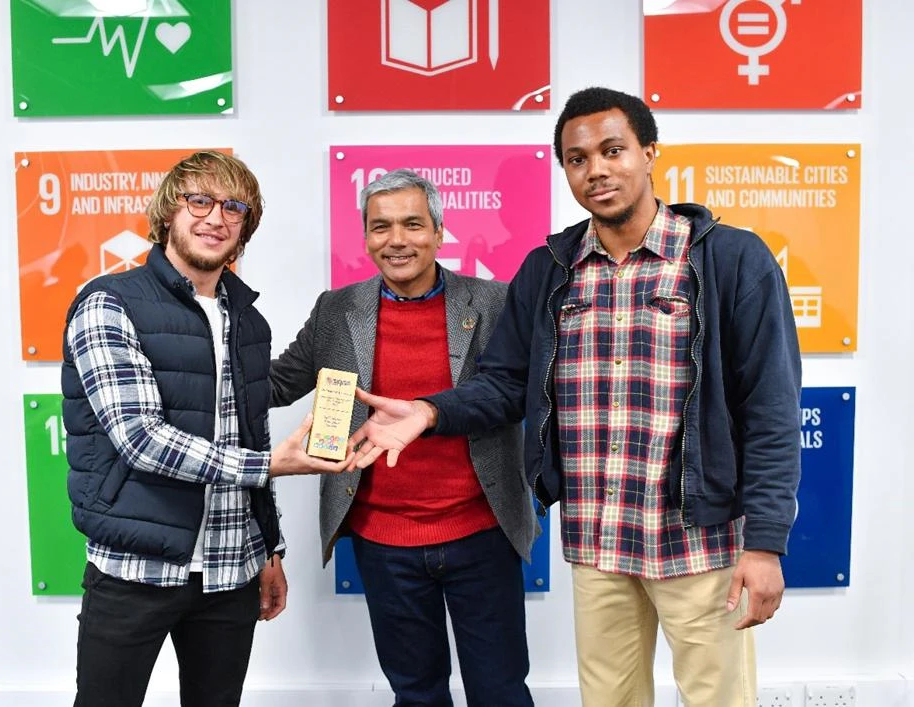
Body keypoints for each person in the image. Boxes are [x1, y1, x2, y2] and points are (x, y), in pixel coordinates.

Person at [348, 89, 802, 707]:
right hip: (598, 542)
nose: (597, 170)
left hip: (702, 544)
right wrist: (430, 411)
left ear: (649, 153)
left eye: (613, 151)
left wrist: (766, 544)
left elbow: (770, 410)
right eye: (577, 158)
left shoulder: (729, 260)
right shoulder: (551, 269)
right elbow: (505, 385)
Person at [61, 150, 352, 707]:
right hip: (135, 566)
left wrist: (269, 548)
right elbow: (140, 439)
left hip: (230, 569)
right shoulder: (108, 304)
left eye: (234, 207)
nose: (215, 217)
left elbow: (251, 434)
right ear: (169, 212)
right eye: (200, 200)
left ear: (245, 228)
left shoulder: (248, 320)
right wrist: (271, 466)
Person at [270, 168, 537, 707]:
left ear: (440, 233)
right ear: (366, 237)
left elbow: (513, 394)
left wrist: (429, 412)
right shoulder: (336, 309)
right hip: (384, 541)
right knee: (415, 694)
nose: (396, 240)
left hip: (481, 532)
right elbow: (277, 382)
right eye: (380, 227)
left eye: (413, 225)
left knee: (501, 692)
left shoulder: (494, 302)